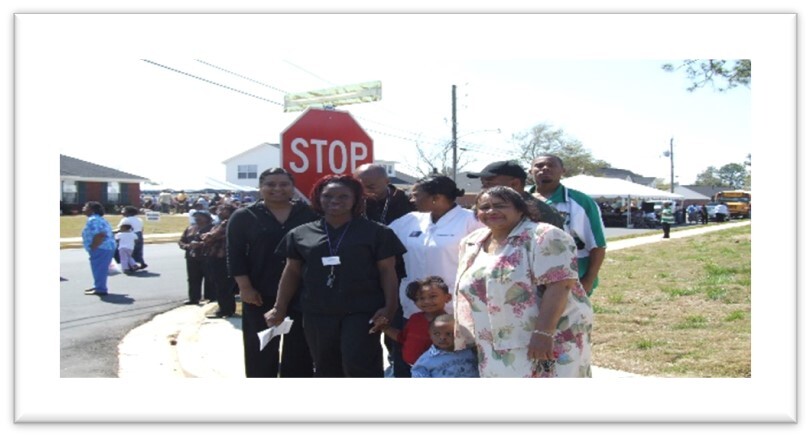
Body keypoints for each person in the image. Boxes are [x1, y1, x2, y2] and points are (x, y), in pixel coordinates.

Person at [265, 174, 405, 378]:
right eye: (328, 196)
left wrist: (390, 307)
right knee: (325, 366)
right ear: (318, 198)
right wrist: (279, 307)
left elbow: (388, 271)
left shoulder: (377, 233)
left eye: (343, 196)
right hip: (317, 311)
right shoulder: (300, 234)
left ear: (356, 199)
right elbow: (291, 272)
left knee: (358, 363)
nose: (335, 201)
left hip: (362, 312)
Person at [455, 186, 593, 378]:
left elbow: (561, 285)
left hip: (546, 338)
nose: (491, 211)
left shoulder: (544, 236)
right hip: (492, 342)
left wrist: (544, 333)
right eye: (484, 207)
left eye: (500, 205)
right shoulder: (472, 242)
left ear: (520, 209)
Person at [388, 175, 484, 376]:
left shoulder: (471, 221)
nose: (411, 200)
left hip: (454, 312)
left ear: (436, 198)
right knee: (412, 360)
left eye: (416, 195)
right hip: (414, 310)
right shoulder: (410, 220)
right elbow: (380, 239)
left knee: (453, 368)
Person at [228, 168, 319, 378]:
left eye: (284, 184)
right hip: (259, 294)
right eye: (270, 184)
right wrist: (245, 287)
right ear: (260, 188)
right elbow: (235, 255)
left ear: (292, 187)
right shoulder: (244, 216)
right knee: (261, 348)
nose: (277, 189)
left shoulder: (309, 214)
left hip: (302, 294)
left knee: (299, 351)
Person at [353, 163, 414, 377]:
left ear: (387, 182)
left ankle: (396, 366)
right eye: (360, 185)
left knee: (395, 327)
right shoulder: (353, 202)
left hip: (399, 274)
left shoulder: (408, 202)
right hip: (364, 276)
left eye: (370, 185)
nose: (365, 190)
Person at [528, 154, 607, 297]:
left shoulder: (580, 201)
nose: (545, 168)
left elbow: (598, 245)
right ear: (530, 171)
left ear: (563, 171)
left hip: (569, 277)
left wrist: (588, 280)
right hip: (528, 276)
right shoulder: (518, 200)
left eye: (551, 165)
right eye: (539, 165)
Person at [374, 276, 452, 374]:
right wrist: (384, 328)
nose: (426, 301)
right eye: (421, 298)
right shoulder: (414, 319)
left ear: (448, 297)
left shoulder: (450, 323)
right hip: (411, 368)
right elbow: (403, 338)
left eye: (433, 296)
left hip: (437, 371)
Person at [466, 160, 563, 229]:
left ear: (514, 184)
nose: (485, 189)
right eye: (483, 184)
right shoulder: (482, 209)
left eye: (489, 184)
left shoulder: (542, 213)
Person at [410, 314, 479, 378]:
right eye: (437, 334)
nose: (442, 337)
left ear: (459, 334)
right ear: (430, 334)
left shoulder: (471, 351)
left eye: (449, 334)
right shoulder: (426, 360)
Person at [201, 203, 237, 319]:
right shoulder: (221, 223)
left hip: (221, 258)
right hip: (218, 256)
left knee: (222, 285)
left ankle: (225, 309)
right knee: (222, 285)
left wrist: (206, 236)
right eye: (219, 210)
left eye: (223, 210)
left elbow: (209, 237)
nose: (219, 212)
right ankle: (227, 308)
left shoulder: (227, 223)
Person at [178, 211, 215, 305]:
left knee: (209, 278)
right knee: (193, 278)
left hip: (207, 257)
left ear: (207, 218)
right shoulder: (190, 228)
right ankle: (194, 298)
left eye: (200, 217)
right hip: (191, 258)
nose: (197, 219)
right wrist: (187, 246)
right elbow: (181, 241)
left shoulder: (213, 228)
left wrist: (200, 245)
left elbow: (215, 241)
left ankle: (210, 297)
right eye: (196, 217)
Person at [81, 201, 117, 296]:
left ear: (91, 209)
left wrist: (94, 246)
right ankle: (98, 285)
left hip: (101, 247)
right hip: (105, 247)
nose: (83, 208)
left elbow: (100, 234)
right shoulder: (98, 219)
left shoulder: (94, 220)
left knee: (99, 268)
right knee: (99, 268)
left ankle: (100, 289)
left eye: (86, 206)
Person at [118, 206, 147, 270]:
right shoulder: (139, 219)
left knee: (128, 252)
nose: (122, 212)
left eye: (124, 210)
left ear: (128, 212)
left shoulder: (125, 220)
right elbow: (142, 228)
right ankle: (141, 262)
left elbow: (121, 229)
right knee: (138, 250)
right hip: (139, 235)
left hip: (130, 235)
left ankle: (131, 265)